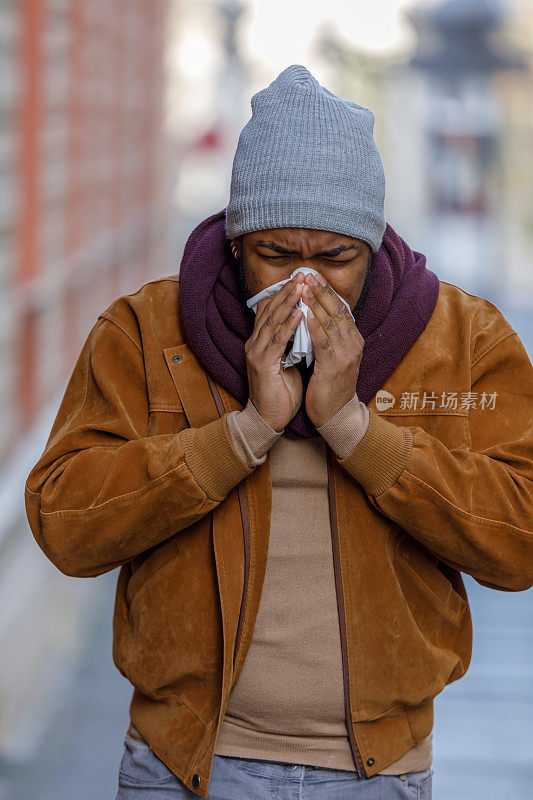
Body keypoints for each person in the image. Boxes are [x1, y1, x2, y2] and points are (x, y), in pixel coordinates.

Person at [25, 64, 533, 800]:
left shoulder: (462, 338)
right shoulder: (144, 331)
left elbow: (518, 540)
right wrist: (245, 431)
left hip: (376, 772)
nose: (305, 286)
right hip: (182, 763)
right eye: (276, 254)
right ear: (235, 244)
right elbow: (66, 524)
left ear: (372, 242)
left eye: (334, 258)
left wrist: (353, 427)